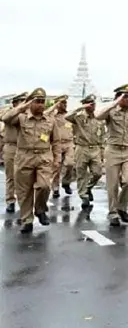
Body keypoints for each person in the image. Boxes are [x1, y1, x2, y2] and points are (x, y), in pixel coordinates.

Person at [1, 88, 60, 234]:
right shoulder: (21, 118)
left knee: (44, 186)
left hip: (43, 157)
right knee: (24, 191)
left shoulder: (50, 120)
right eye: (37, 102)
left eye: (42, 102)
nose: (41, 105)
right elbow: (6, 118)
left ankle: (40, 210)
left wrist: (57, 158)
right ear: (31, 103)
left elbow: (56, 141)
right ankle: (27, 220)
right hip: (24, 157)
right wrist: (23, 106)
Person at [96, 84, 128, 227]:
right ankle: (113, 213)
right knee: (112, 184)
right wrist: (114, 104)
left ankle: (121, 206)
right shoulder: (111, 111)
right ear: (118, 97)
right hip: (113, 150)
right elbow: (98, 116)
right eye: (124, 96)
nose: (127, 99)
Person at [65, 94, 105, 208]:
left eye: (94, 104)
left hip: (95, 148)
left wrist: (102, 151)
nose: (93, 106)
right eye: (90, 104)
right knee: (81, 173)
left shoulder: (98, 118)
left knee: (97, 173)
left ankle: (88, 187)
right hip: (82, 148)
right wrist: (81, 108)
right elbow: (67, 116)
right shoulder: (79, 117)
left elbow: (102, 135)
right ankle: (83, 196)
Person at [1, 91, 27, 214]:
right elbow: (4, 117)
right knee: (11, 176)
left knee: (24, 177)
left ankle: (23, 201)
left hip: (24, 149)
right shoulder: (8, 112)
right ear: (15, 103)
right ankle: (10, 200)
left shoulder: (26, 115)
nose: (24, 104)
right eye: (21, 101)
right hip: (11, 148)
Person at [46, 95, 76, 198]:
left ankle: (66, 183)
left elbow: (75, 128)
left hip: (69, 143)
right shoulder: (52, 116)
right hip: (57, 143)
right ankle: (55, 188)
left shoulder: (69, 116)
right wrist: (54, 106)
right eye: (62, 103)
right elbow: (45, 115)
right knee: (56, 167)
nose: (64, 105)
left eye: (65, 103)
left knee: (70, 164)